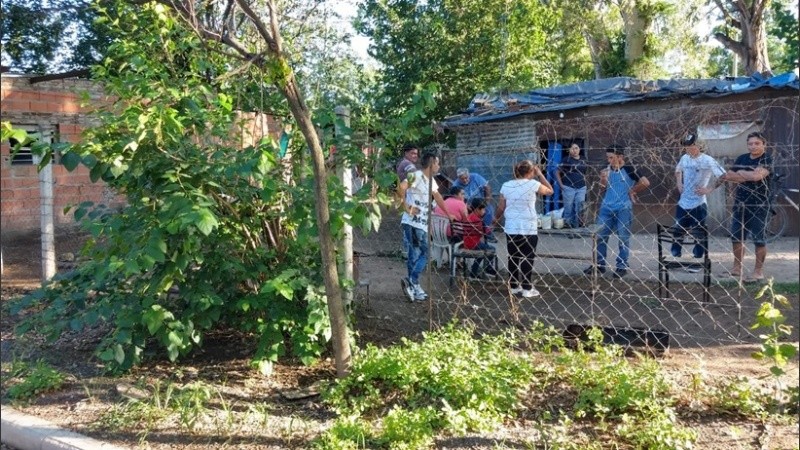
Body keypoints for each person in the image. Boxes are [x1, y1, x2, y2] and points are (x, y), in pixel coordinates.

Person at [584, 145, 650, 279]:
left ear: (620, 157)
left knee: (623, 238)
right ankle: (599, 265)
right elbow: (602, 189)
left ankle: (622, 266)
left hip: (623, 208)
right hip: (606, 207)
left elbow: (645, 182)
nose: (609, 160)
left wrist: (633, 190)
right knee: (600, 236)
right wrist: (602, 180)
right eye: (608, 157)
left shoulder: (630, 169)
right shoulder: (607, 168)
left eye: (612, 157)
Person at [398, 152, 453, 302]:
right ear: (431, 164)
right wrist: (406, 207)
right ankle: (413, 281)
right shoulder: (415, 176)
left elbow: (438, 197)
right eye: (437, 163)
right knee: (424, 253)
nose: (439, 166)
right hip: (412, 222)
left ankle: (413, 286)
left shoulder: (431, 181)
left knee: (415, 254)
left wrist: (448, 213)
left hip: (421, 223)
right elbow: (401, 187)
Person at [494, 160, 554, 298]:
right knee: (528, 256)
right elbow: (550, 191)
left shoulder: (506, 185)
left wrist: (495, 219)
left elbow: (501, 207)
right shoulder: (533, 184)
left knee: (513, 257)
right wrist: (540, 175)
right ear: (531, 171)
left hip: (511, 227)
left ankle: (514, 286)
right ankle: (527, 288)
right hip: (528, 227)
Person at [720, 131, 772, 281]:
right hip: (740, 204)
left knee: (759, 239)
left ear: (764, 144)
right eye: (750, 144)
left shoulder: (767, 158)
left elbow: (757, 177)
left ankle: (758, 271)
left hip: (760, 205)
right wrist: (747, 174)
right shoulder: (742, 158)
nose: (753, 146)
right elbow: (728, 176)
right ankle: (737, 267)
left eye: (757, 143)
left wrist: (741, 173)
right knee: (736, 236)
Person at [671, 131, 726, 266]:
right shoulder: (684, 158)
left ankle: (697, 260)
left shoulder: (707, 160)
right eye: (686, 146)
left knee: (698, 232)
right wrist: (679, 183)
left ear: (698, 145)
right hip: (683, 202)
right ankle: (675, 257)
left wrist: (709, 189)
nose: (688, 148)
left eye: (691, 145)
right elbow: (678, 170)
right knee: (678, 230)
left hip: (698, 203)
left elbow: (723, 175)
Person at [452, 168, 496, 242]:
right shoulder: (456, 184)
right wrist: (465, 205)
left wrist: (487, 201)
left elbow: (487, 187)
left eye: (466, 178)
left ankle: (487, 233)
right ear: (458, 178)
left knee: (488, 211)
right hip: (467, 203)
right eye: (462, 179)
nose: (465, 180)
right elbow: (456, 199)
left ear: (469, 175)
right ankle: (472, 233)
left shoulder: (475, 177)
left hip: (480, 201)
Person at [462, 198, 498, 280]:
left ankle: (473, 273)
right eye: (483, 209)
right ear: (478, 209)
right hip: (474, 244)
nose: (484, 211)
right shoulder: (477, 220)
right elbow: (485, 232)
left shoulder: (469, 217)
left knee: (482, 252)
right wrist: (492, 227)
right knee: (492, 249)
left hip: (467, 243)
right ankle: (488, 268)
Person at [396, 144, 420, 257]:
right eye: (412, 153)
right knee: (410, 224)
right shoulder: (407, 164)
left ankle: (408, 251)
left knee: (409, 223)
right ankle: (408, 252)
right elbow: (415, 175)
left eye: (416, 153)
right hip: (408, 197)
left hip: (406, 196)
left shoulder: (405, 163)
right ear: (406, 153)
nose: (415, 155)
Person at [556, 143, 588, 229]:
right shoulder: (566, 160)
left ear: (579, 149)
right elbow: (557, 172)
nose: (575, 150)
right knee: (568, 209)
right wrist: (561, 185)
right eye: (572, 149)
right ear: (569, 150)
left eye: (576, 148)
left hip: (581, 187)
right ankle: (568, 227)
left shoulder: (583, 159)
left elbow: (585, 172)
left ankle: (577, 227)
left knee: (580, 208)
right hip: (568, 187)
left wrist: (584, 180)